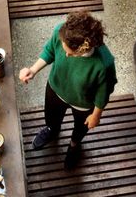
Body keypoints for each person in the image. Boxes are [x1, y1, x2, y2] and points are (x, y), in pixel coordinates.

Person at [19, 11, 117, 171]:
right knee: (51, 117)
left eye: (69, 53)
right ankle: (52, 130)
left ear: (82, 49)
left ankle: (74, 145)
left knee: (80, 128)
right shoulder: (61, 33)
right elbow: (50, 50)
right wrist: (33, 69)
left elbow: (104, 91)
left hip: (83, 103)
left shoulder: (103, 63)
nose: (64, 54)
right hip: (56, 88)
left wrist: (96, 115)